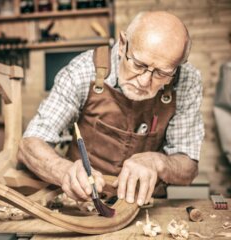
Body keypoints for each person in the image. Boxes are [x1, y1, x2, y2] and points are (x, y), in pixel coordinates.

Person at [17, 11, 204, 207]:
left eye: (161, 73)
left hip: (145, 205)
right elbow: (29, 144)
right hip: (81, 203)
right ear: (123, 44)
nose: (144, 81)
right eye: (138, 65)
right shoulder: (83, 70)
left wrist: (158, 162)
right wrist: (63, 171)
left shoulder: (186, 80)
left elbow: (188, 167)